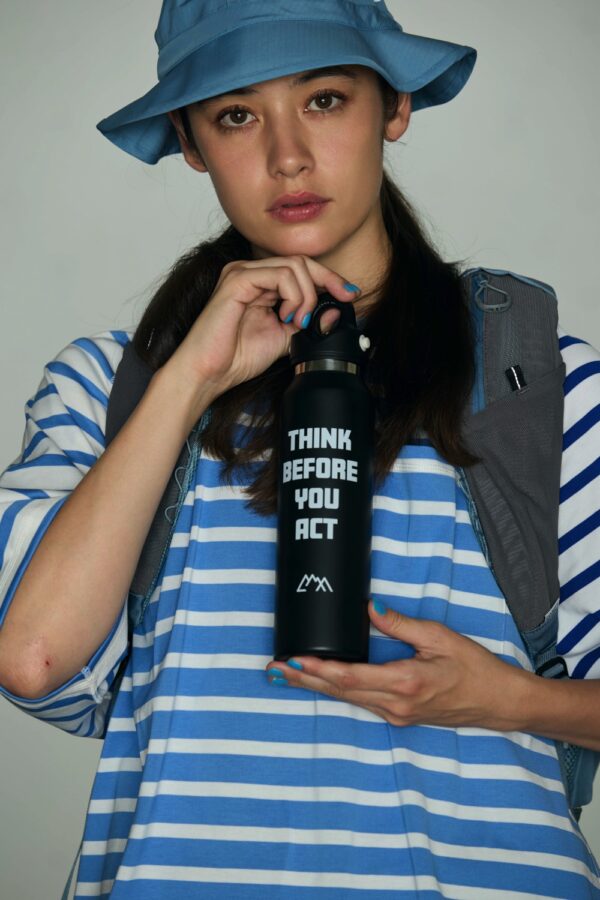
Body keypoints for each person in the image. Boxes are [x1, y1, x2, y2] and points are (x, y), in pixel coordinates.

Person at [1, 1, 600, 896]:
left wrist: (507, 699)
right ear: (190, 140)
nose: (287, 156)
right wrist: (190, 379)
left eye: (324, 99)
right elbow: (35, 664)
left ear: (394, 106)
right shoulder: (109, 388)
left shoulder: (538, 382)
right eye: (236, 115)